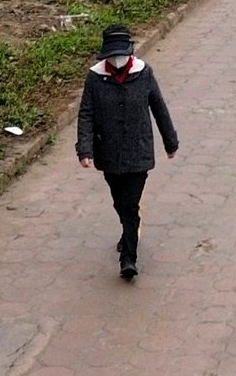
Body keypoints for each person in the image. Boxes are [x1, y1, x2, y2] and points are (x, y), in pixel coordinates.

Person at [75, 24, 178, 280]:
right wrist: (84, 149)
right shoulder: (95, 78)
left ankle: (128, 259)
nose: (117, 60)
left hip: (138, 152)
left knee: (130, 203)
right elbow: (86, 114)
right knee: (119, 201)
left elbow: (159, 108)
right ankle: (129, 229)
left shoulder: (144, 74)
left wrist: (170, 141)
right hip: (108, 153)